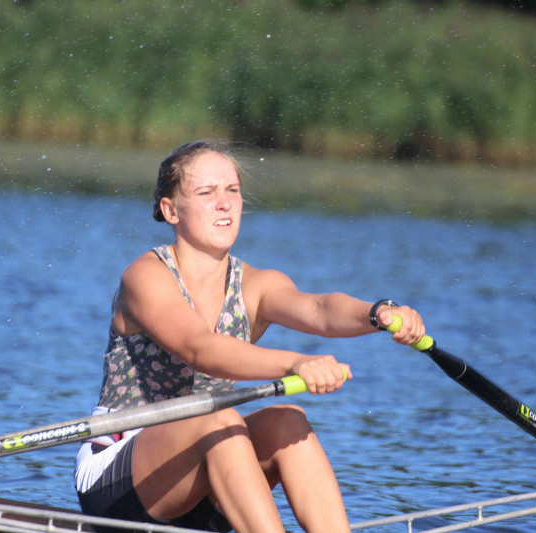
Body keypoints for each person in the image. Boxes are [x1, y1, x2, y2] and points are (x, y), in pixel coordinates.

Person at [74, 141, 425, 533]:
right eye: (206, 193)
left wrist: (380, 313)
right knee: (218, 422)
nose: (225, 203)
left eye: (233, 190)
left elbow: (319, 309)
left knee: (288, 421)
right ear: (171, 211)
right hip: (117, 477)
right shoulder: (145, 277)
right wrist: (296, 363)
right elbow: (201, 348)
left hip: (210, 472)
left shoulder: (255, 285)